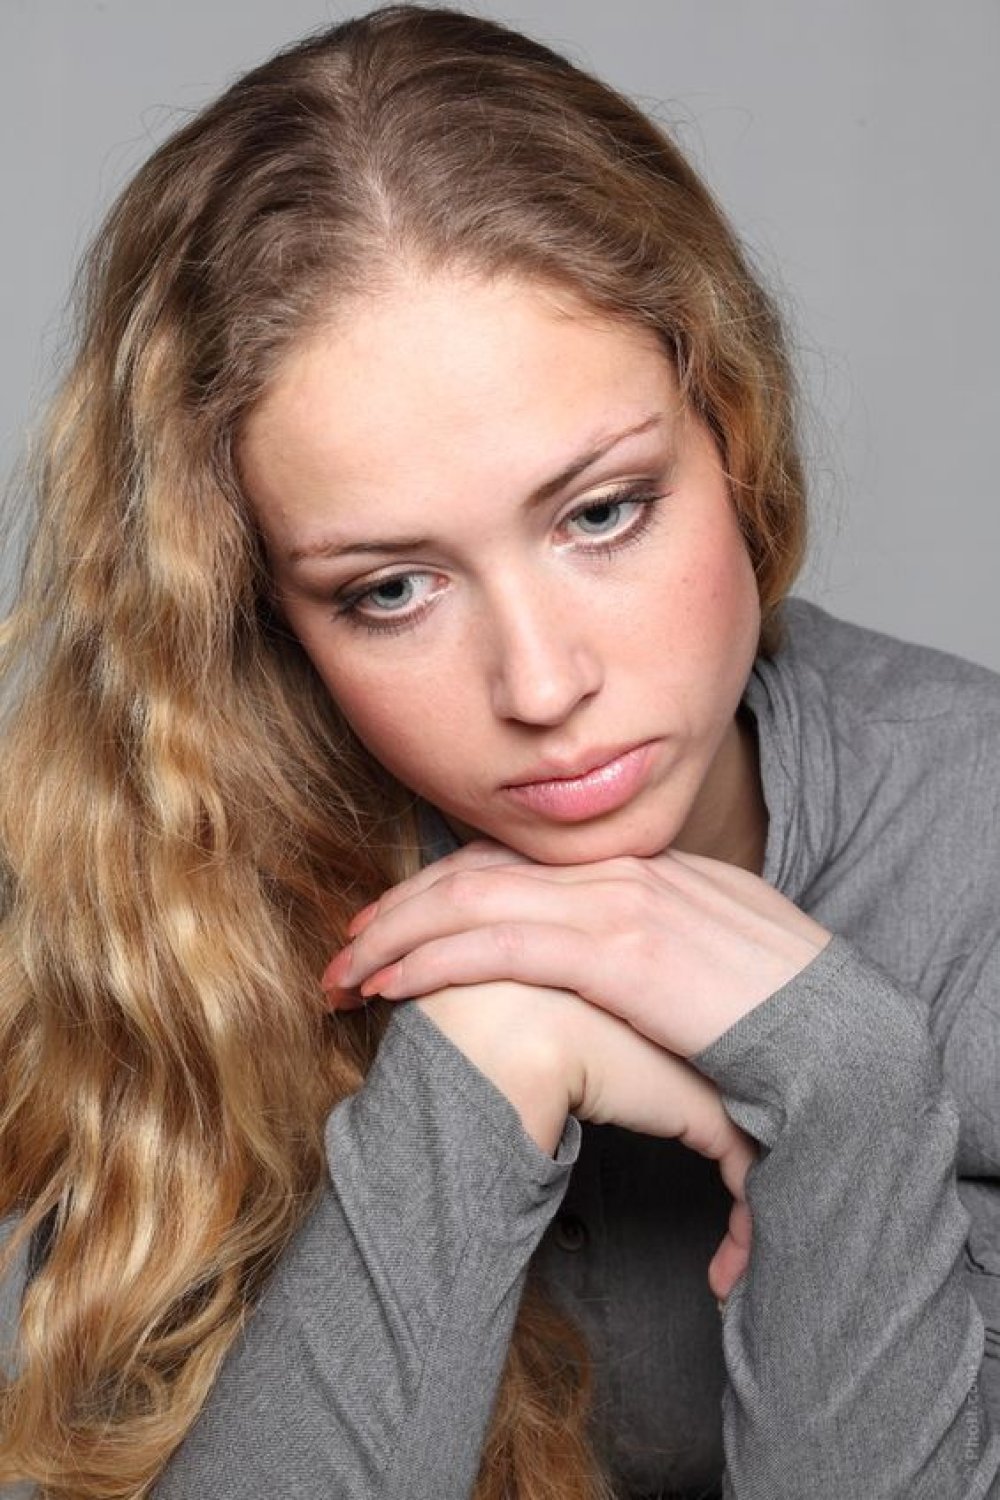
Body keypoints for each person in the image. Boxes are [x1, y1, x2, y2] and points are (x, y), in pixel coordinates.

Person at [0, 5, 997, 1497]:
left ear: (731, 426)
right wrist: (491, 1056)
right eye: (389, 590)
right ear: (261, 610)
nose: (541, 685)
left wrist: (843, 1081)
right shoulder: (147, 921)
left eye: (602, 512)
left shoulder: (975, 850)